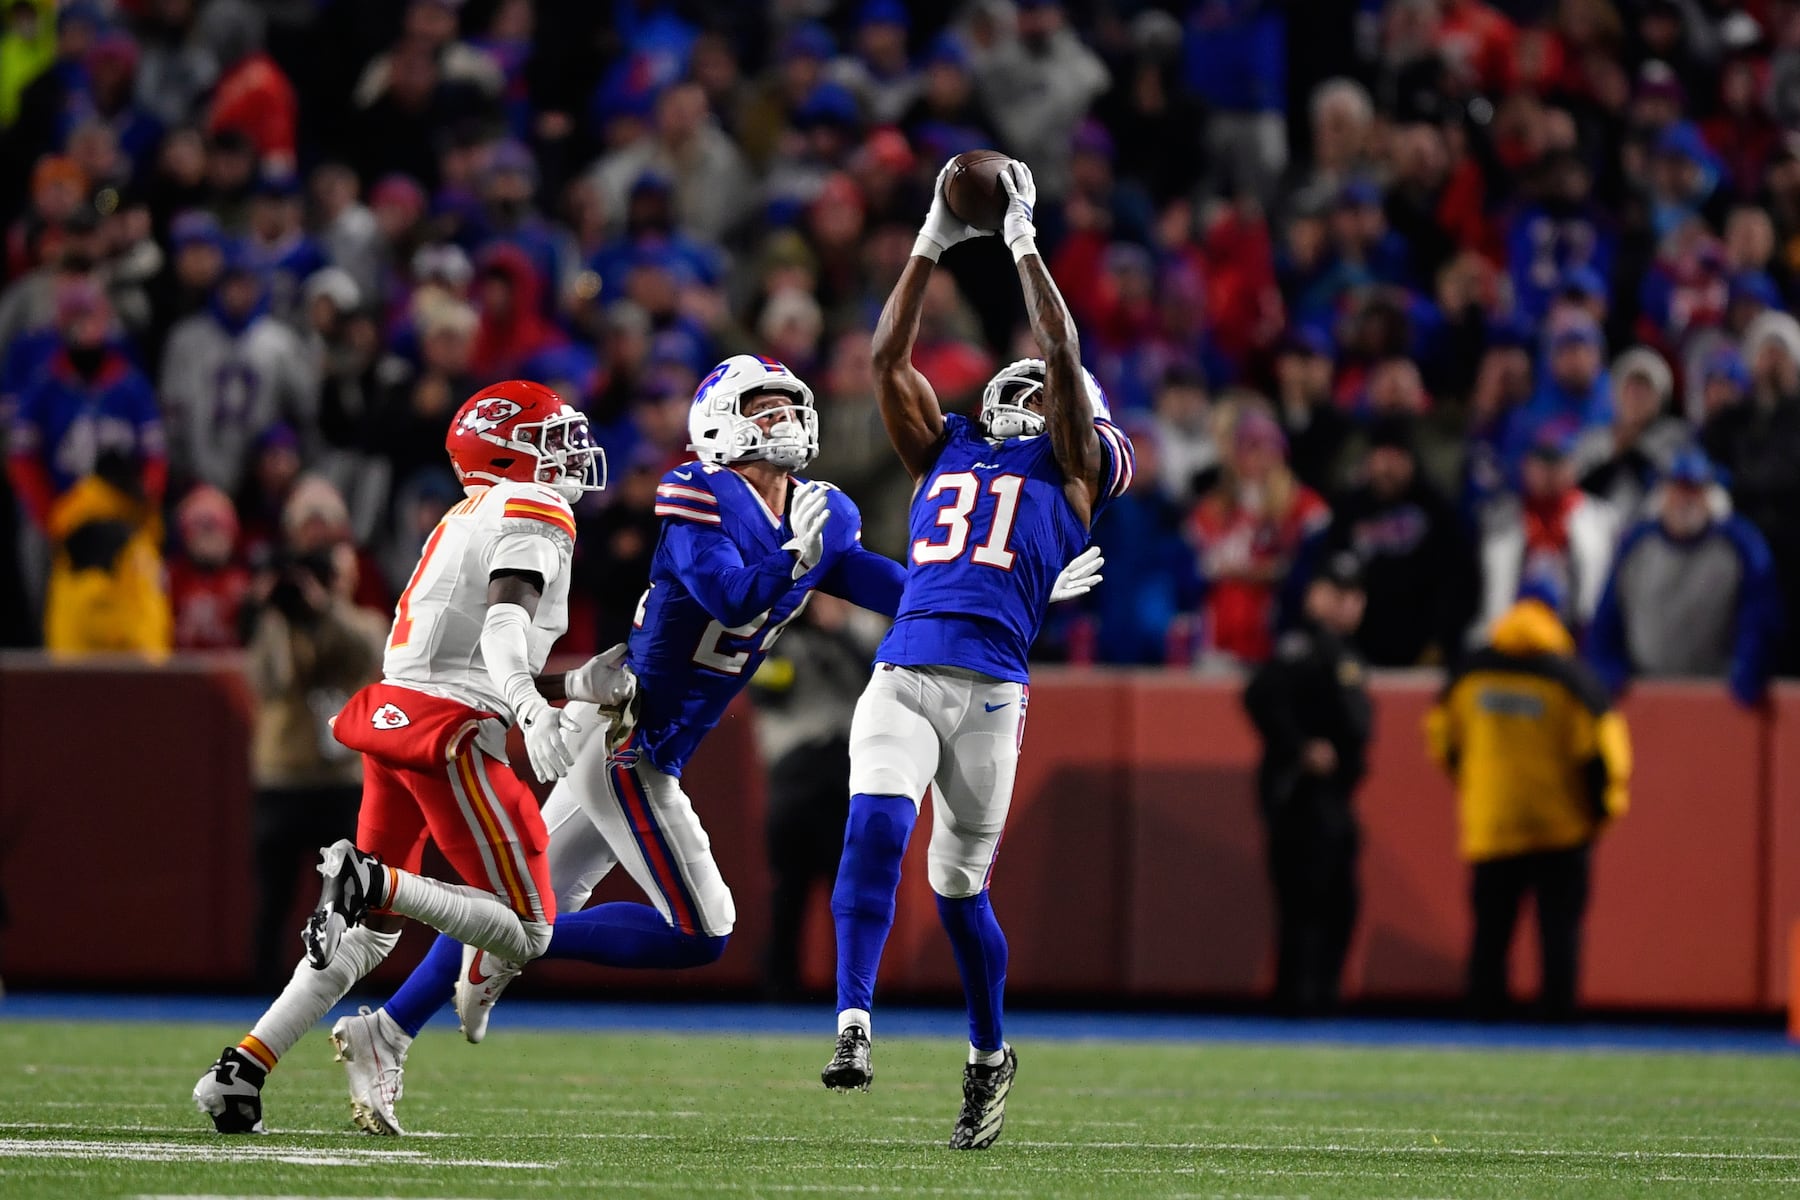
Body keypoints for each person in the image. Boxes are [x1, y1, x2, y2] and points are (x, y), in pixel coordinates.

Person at [319, 356, 1103, 1133]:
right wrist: (798, 554)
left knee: (519, 907)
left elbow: (897, 588)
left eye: (789, 406)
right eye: (763, 410)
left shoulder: (812, 509)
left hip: (641, 743)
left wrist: (1007, 585)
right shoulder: (697, 491)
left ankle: (384, 1032)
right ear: (720, 424)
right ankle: (483, 937)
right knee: (699, 932)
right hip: (630, 740)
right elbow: (728, 591)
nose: (785, 421)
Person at [193, 380, 624, 1134]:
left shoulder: (466, 513)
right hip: (450, 733)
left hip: (399, 714)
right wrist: (533, 709)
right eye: (550, 438)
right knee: (529, 930)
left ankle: (242, 1068)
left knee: (372, 931)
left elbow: (466, 646)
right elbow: (499, 630)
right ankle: (370, 877)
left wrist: (564, 682)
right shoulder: (534, 507)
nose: (569, 452)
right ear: (507, 452)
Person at [823, 158, 1132, 1151]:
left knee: (958, 893)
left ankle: (989, 1052)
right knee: (874, 829)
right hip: (908, 671)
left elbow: (1062, 344)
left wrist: (1023, 240)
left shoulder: (1073, 467)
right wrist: (929, 239)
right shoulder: (948, 444)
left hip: (992, 695)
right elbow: (884, 361)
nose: (1029, 393)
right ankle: (853, 1022)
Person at [1426, 582, 1631, 1021]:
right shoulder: (1572, 678)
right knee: (1560, 931)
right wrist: (1600, 813)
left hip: (1493, 820)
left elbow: (1442, 737)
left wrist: (1477, 784)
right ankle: (1556, 1017)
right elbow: (1605, 754)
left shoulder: (1472, 671)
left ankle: (1483, 1013)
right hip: (1560, 824)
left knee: (1491, 931)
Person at [242, 478, 387, 986]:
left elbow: (369, 649)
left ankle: (344, 983)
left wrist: (322, 607)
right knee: (274, 900)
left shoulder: (359, 621)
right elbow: (271, 681)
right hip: (283, 775)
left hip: (339, 777)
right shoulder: (279, 623)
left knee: (346, 896)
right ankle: (262, 990)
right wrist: (278, 613)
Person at [1243, 551, 1371, 1015]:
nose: (1348, 605)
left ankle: (1322, 995)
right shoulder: (1301, 647)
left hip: (1335, 798)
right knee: (1307, 902)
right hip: (1300, 797)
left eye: (1355, 595)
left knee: (1338, 901)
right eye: (1338, 594)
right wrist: (1300, 747)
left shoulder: (1343, 650)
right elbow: (1260, 697)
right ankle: (1300, 1001)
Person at [751, 592, 887, 1000]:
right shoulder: (777, 628)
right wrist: (785, 625)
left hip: (848, 764)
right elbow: (765, 692)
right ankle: (778, 985)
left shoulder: (866, 624)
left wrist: (838, 631)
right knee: (787, 884)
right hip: (794, 765)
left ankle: (850, 988)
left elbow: (882, 681)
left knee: (847, 883)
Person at [1587, 450, 1781, 707]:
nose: (1685, 499)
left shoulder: (1740, 543)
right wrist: (1606, 665)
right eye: (1677, 489)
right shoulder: (1638, 544)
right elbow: (1607, 615)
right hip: (1644, 691)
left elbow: (1760, 613)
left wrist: (1748, 664)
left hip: (1715, 694)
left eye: (1694, 490)